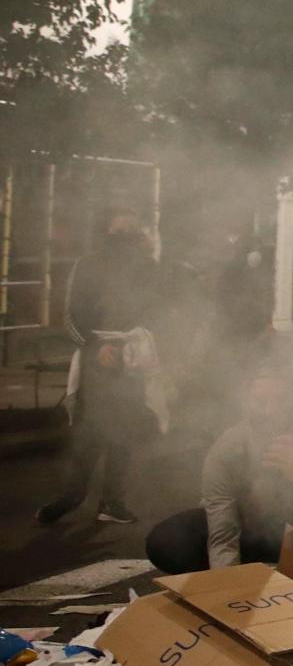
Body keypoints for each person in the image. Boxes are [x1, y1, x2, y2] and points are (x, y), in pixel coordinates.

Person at [145, 367, 293, 574]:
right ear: (247, 405)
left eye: (281, 400)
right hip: (252, 529)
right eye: (260, 402)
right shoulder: (228, 449)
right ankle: (258, 571)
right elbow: (223, 532)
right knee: (167, 540)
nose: (271, 411)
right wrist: (230, 587)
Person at [36, 207, 161, 526]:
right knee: (91, 431)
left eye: (132, 229)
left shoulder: (146, 267)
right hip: (97, 361)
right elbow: (71, 316)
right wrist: (96, 347)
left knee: (124, 431)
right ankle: (72, 496)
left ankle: (112, 501)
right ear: (107, 229)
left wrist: (140, 340)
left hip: (130, 357)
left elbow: (156, 310)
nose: (127, 235)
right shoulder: (88, 265)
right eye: (120, 229)